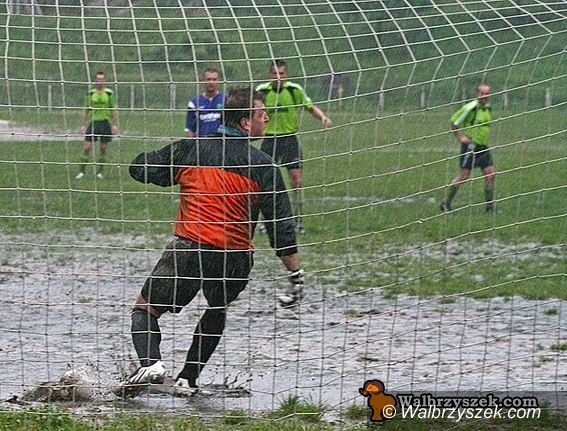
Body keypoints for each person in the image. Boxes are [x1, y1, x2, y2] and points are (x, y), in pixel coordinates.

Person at [122, 87, 306, 395]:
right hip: (234, 259)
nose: (267, 119)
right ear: (245, 122)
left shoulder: (191, 150)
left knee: (145, 309)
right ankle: (188, 378)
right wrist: (295, 273)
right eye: (262, 114)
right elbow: (281, 227)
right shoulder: (264, 166)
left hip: (189, 250)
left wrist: (158, 162)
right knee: (217, 308)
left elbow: (140, 168)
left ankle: (151, 364)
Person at [256, 59, 332, 234]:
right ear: (270, 74)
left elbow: (310, 107)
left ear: (286, 74)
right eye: (274, 73)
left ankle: (298, 221)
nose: (278, 77)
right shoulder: (262, 91)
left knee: (296, 180)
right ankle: (264, 222)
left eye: (281, 73)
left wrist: (323, 118)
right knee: (264, 182)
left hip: (289, 139)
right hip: (270, 139)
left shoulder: (294, 90)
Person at [440, 84, 496, 212]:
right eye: (482, 93)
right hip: (470, 147)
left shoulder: (488, 108)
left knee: (491, 175)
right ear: (477, 94)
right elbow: (454, 122)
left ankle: (490, 207)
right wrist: (461, 137)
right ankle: (446, 203)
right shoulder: (470, 108)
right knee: (464, 176)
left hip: (483, 147)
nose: (484, 96)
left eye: (487, 93)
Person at [76, 71, 118, 179]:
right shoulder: (90, 94)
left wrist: (114, 125)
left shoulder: (109, 93)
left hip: (105, 123)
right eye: (98, 79)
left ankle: (100, 172)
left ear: (104, 81)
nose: (100, 81)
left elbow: (113, 109)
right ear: (95, 81)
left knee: (103, 148)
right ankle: (81, 171)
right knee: (87, 147)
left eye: (102, 79)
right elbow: (86, 110)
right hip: (94, 122)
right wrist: (83, 125)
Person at [184, 68, 224, 138]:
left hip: (221, 141)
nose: (211, 82)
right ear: (203, 81)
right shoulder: (194, 102)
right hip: (202, 142)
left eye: (214, 79)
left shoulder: (226, 99)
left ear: (219, 81)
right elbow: (189, 129)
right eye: (208, 79)